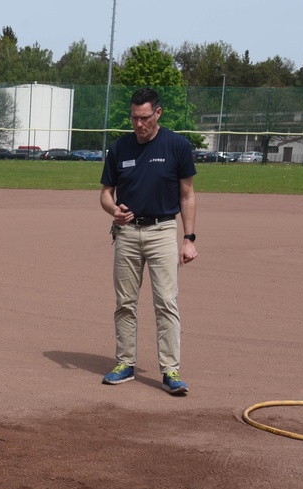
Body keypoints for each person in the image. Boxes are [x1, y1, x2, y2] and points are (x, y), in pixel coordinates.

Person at [99, 87, 197, 395]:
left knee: (166, 302)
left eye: (144, 118)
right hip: (127, 235)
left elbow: (187, 194)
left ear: (158, 113)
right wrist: (114, 210)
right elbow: (105, 194)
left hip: (162, 231)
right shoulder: (119, 148)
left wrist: (189, 238)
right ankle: (124, 364)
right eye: (133, 118)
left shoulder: (178, 146)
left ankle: (170, 370)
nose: (139, 125)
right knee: (125, 303)